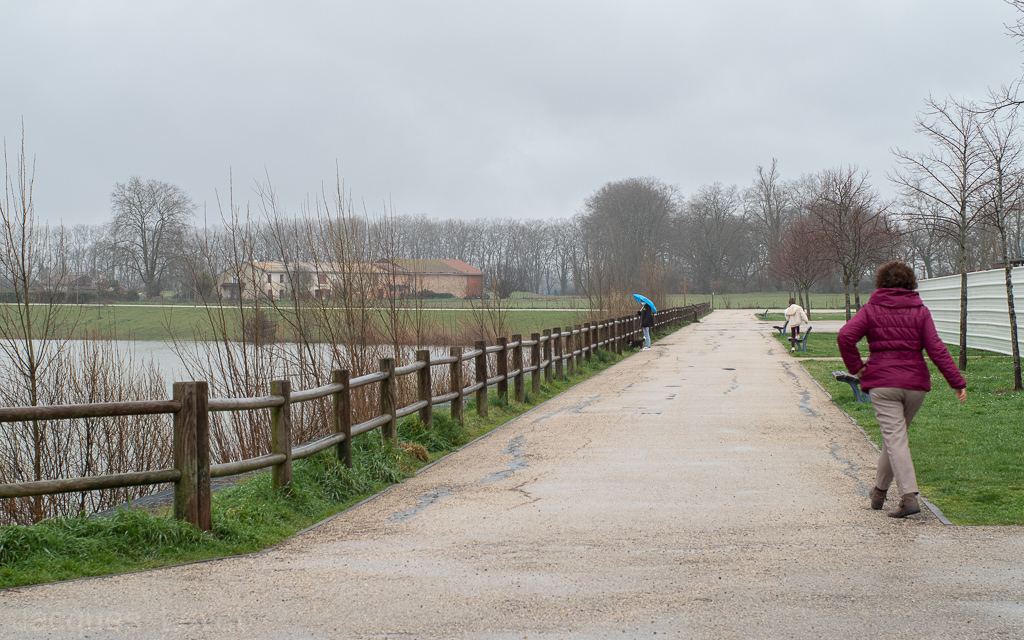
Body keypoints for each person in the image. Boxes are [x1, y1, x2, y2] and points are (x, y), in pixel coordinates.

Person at [837, 261, 967, 518]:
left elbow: (845, 336)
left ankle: (908, 497)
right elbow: (936, 348)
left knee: (895, 437)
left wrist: (858, 368)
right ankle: (878, 492)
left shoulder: (871, 310)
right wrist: (956, 381)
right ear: (910, 282)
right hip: (915, 386)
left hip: (883, 384)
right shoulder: (921, 311)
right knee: (895, 437)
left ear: (881, 282)